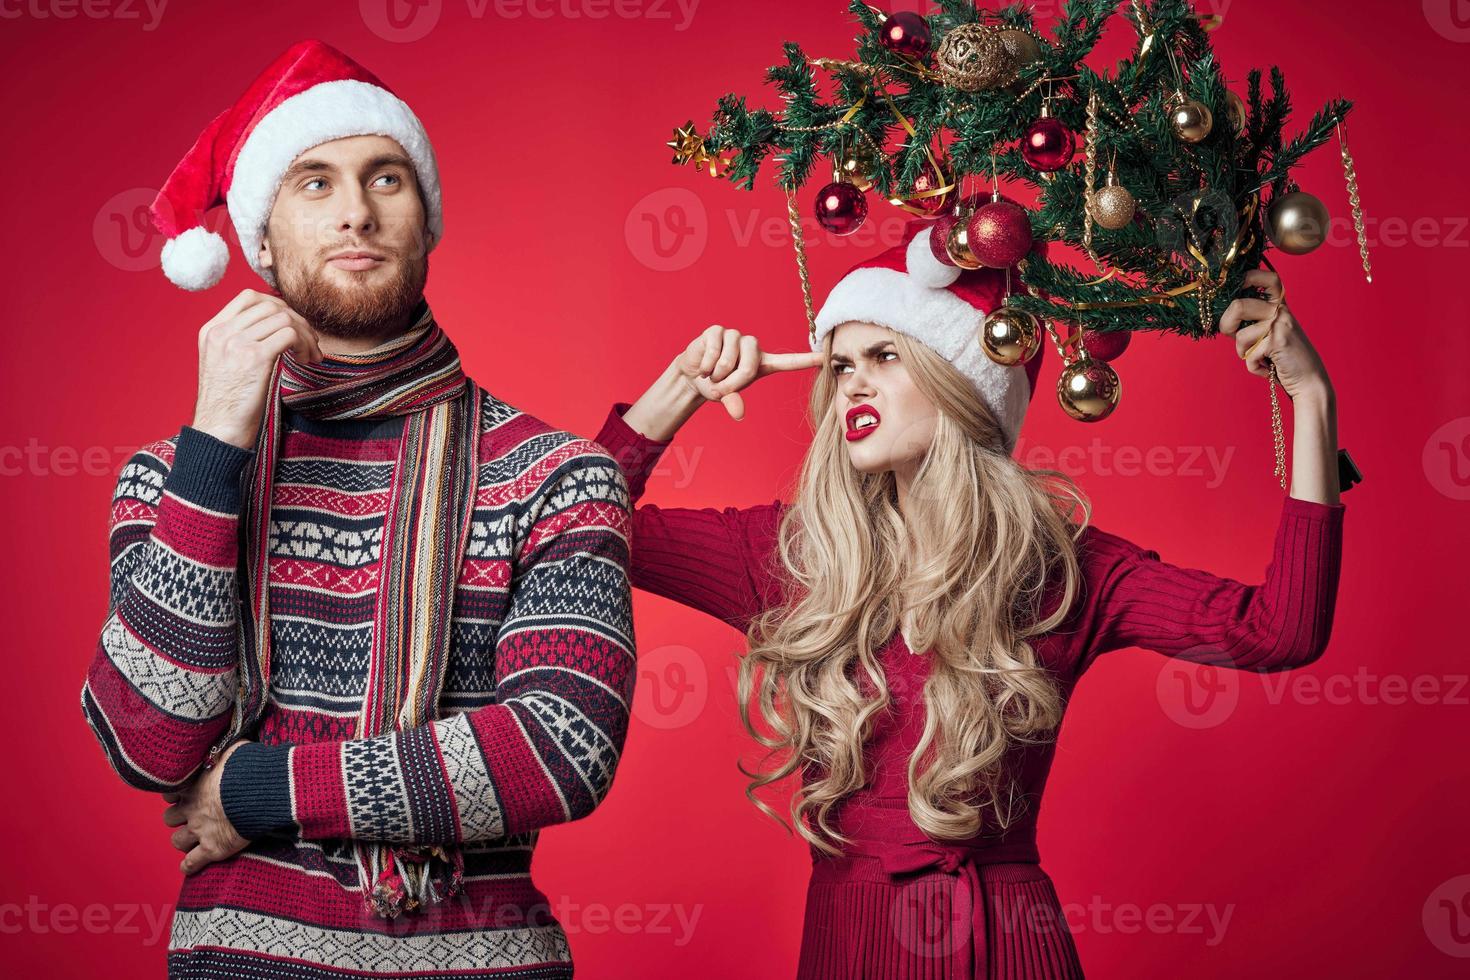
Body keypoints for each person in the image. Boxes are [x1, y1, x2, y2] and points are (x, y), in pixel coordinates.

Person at [592, 220, 1345, 977]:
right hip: (848, 944)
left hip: (1005, 940)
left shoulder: (1064, 569)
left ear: (962, 380)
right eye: (843, 362)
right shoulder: (793, 553)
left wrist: (1310, 395)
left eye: (885, 356)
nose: (852, 382)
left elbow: (1276, 630)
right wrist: (683, 389)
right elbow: (579, 529)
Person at [78, 40, 635, 978]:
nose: (355, 212)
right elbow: (147, 742)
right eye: (313, 182)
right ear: (259, 238)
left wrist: (258, 789)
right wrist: (216, 444)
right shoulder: (168, 477)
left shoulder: (555, 473)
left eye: (387, 178)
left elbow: (559, 747)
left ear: (428, 222)